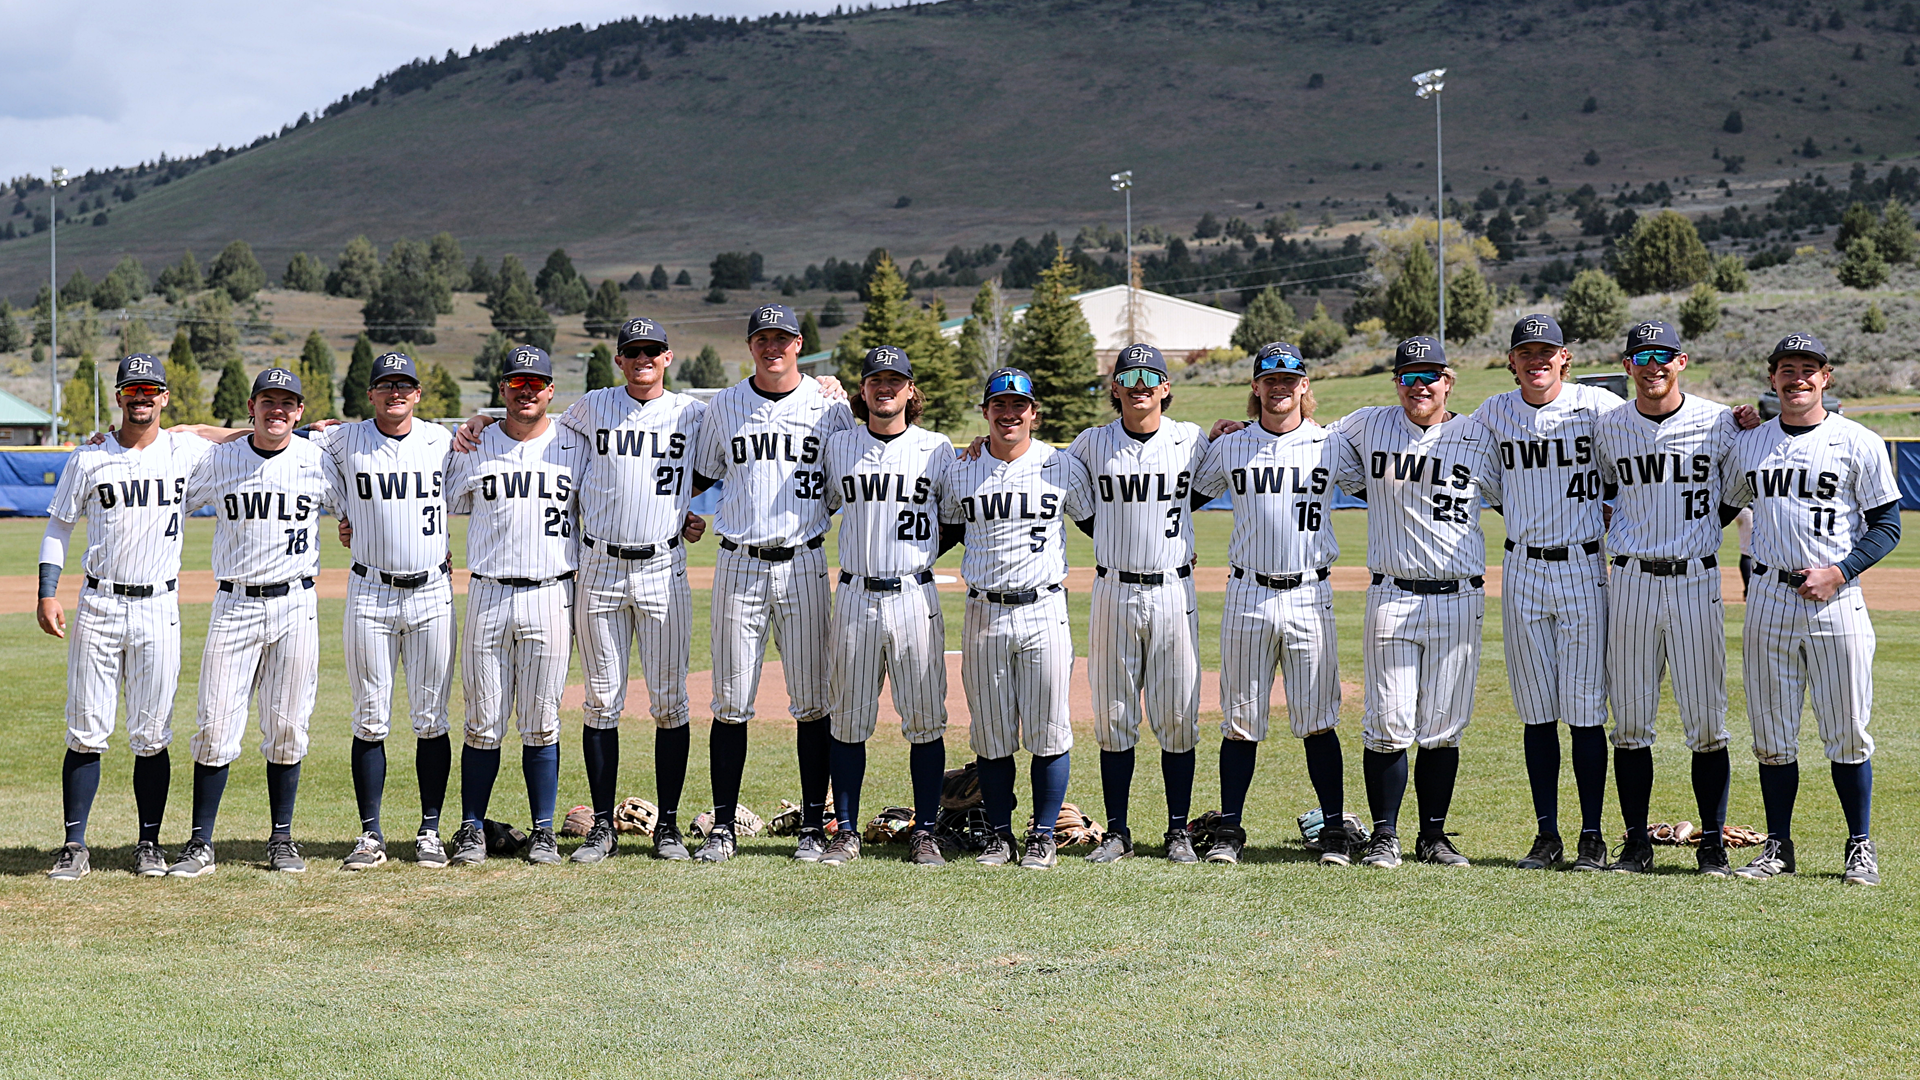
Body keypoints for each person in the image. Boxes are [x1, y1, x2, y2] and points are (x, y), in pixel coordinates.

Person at [1723, 333, 1899, 886]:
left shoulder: (1858, 441)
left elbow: (1887, 525)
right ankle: (1777, 846)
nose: (1797, 377)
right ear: (1772, 378)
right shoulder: (1750, 444)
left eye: (1808, 368)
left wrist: (1839, 572)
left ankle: (1860, 846)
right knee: (1772, 734)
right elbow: (1720, 509)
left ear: (1826, 377)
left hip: (1836, 599)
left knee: (1847, 729)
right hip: (1768, 596)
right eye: (1786, 368)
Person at [687, 304, 857, 862]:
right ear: (750, 346)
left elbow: (850, 477)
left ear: (799, 343)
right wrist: (683, 512)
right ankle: (723, 828)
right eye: (762, 338)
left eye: (782, 338)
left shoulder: (830, 407)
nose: (772, 347)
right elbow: (702, 476)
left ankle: (812, 826)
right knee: (731, 701)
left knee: (812, 701)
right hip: (738, 562)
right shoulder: (724, 405)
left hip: (804, 560)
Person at [1329, 336, 1504, 869]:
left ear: (1448, 382)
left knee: (1443, 726)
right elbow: (1302, 437)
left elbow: (1516, 492)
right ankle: (1385, 834)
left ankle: (1433, 836)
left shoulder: (1478, 435)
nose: (1419, 386)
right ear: (1396, 384)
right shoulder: (1368, 424)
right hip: (1393, 592)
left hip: (1458, 595)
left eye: (1430, 376)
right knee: (1387, 720)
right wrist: (1239, 430)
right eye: (1408, 377)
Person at [38, 354, 214, 880]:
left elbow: (244, 440)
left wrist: (306, 431)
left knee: (152, 732)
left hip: (159, 605)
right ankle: (74, 846)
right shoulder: (89, 457)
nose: (141, 398)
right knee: (86, 728)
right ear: (118, 397)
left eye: (150, 390)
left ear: (164, 397)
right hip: (99, 602)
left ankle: (148, 844)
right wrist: (48, 592)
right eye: (132, 390)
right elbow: (59, 526)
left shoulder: (184, 451)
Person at [1469, 315, 1622, 872]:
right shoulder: (1492, 413)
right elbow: (1470, 467)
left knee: (1585, 711)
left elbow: (1651, 437)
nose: (1537, 360)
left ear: (1565, 358)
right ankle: (1546, 835)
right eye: (1526, 352)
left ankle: (1591, 836)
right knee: (1536, 711)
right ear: (1512, 362)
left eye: (1547, 351)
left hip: (1583, 564)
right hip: (1522, 566)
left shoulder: (1600, 406)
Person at [166, 367, 332, 876]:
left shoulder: (319, 459)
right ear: (251, 406)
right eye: (268, 401)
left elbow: (362, 500)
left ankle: (282, 838)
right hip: (234, 603)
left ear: (299, 411)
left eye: (287, 402)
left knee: (288, 727)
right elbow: (169, 469)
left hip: (295, 603)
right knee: (215, 725)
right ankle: (200, 843)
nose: (277, 409)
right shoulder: (220, 460)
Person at [1591, 320, 1740, 876]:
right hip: (1631, 579)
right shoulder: (1610, 426)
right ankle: (1636, 844)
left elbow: (1736, 489)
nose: (1652, 365)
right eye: (1641, 356)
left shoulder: (1720, 422)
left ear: (1681, 361)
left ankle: (1712, 845)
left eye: (1663, 355)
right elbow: (1604, 490)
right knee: (1630, 723)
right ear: (1626, 365)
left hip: (1695, 579)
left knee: (1707, 723)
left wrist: (1703, 527)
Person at [1192, 342, 1347, 865]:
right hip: (1248, 592)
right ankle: (1229, 831)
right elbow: (1182, 494)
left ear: (1304, 385)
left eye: (1289, 379)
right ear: (1255, 387)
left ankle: (1333, 831)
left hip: (1310, 591)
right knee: (1240, 719)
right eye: (1270, 379)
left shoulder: (1332, 443)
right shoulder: (1231, 446)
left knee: (1318, 718)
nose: (1280, 387)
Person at [938, 368, 1097, 870]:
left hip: (1043, 608)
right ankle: (1000, 836)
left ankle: (1043, 835)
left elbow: (1099, 523)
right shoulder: (961, 469)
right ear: (985, 412)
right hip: (983, 609)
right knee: (991, 733)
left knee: (1049, 729)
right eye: (999, 405)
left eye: (1018, 405)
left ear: (1034, 413)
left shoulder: (1061, 465)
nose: (1009, 414)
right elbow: (945, 530)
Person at [444, 347, 587, 867]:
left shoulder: (576, 444)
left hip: (551, 591)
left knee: (542, 720)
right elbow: (437, 504)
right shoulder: (473, 445)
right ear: (502, 388)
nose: (527, 391)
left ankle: (544, 831)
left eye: (536, 383)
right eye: (516, 382)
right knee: (482, 720)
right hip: (488, 591)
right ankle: (471, 828)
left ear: (551, 390)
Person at [1069, 343, 1211, 865]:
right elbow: (1068, 495)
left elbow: (1208, 488)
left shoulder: (1191, 439)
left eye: (1151, 376)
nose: (1140, 385)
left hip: (1173, 589)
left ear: (1166, 387)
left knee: (1178, 716)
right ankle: (1117, 832)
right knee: (1114, 716)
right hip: (1114, 589)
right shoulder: (1091, 443)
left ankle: (1177, 831)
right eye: (1129, 376)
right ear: (1115, 386)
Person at [319, 352, 457, 871]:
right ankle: (370, 834)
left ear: (418, 393)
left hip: (431, 591)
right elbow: (271, 434)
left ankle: (429, 831)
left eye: (404, 385)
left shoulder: (443, 440)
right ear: (371, 394)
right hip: (370, 590)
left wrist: (480, 420)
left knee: (431, 718)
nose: (395, 392)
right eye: (385, 385)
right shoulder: (342, 439)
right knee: (370, 716)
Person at [818, 346, 955, 867]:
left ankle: (926, 831)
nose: (885, 388)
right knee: (848, 720)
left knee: (925, 720)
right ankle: (846, 831)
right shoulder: (839, 446)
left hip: (914, 594)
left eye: (895, 380)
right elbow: (818, 501)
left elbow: (955, 518)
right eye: (876, 379)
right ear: (863, 388)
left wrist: (915, 555)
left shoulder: (937, 449)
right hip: (855, 594)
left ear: (910, 390)